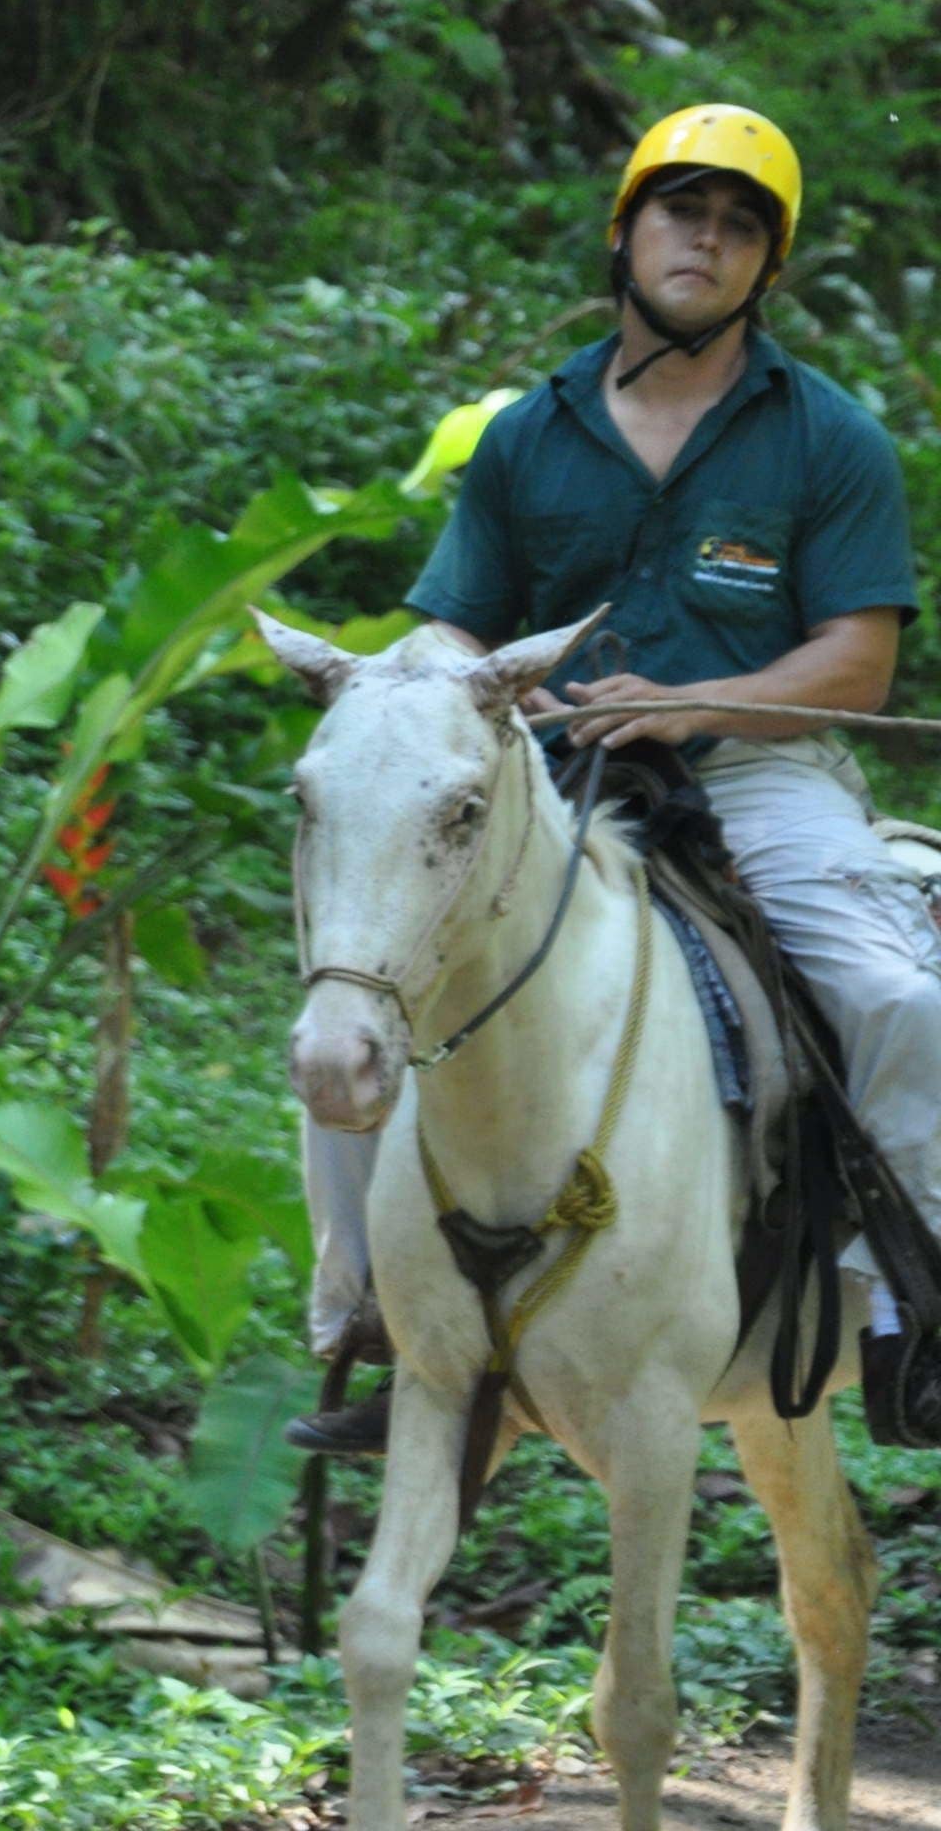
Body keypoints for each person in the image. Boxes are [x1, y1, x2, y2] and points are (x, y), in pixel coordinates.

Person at [290, 103, 941, 1454]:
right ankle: (369, 1314)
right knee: (363, 979)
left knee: (893, 995)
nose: (707, 237)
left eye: (740, 221)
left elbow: (858, 660)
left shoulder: (828, 439)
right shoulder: (530, 435)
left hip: (759, 776)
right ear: (627, 232)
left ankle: (911, 1317)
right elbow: (460, 623)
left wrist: (701, 699)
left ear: (770, 260)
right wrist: (462, 693)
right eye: (682, 210)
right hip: (548, 774)